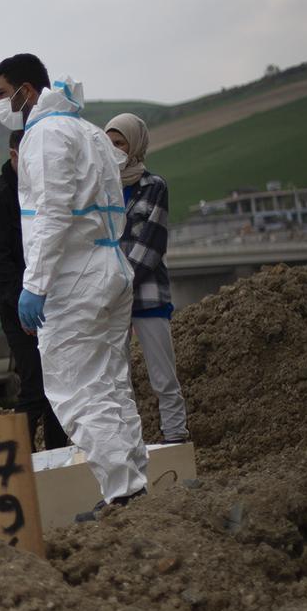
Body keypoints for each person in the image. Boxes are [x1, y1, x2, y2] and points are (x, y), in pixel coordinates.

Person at [0, 54, 149, 521]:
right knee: (111, 384)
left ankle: (122, 492)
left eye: (2, 94)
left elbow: (53, 213)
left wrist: (34, 285)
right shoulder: (89, 131)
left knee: (77, 389)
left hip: (75, 276)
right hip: (110, 266)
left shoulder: (44, 136)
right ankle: (133, 481)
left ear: (27, 91)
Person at [0, 128, 69, 452]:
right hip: (18, 309)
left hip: (44, 305)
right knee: (33, 390)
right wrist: (22, 307)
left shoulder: (33, 191)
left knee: (55, 390)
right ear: (14, 155)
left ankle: (58, 460)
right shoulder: (0, 196)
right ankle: (16, 469)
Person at [105, 113, 190, 444]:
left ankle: (175, 437)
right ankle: (128, 445)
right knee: (118, 379)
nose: (114, 150)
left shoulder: (154, 186)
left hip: (146, 294)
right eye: (108, 144)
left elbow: (152, 243)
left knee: (162, 375)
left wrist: (121, 282)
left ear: (135, 144)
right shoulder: (101, 189)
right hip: (112, 297)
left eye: (120, 143)